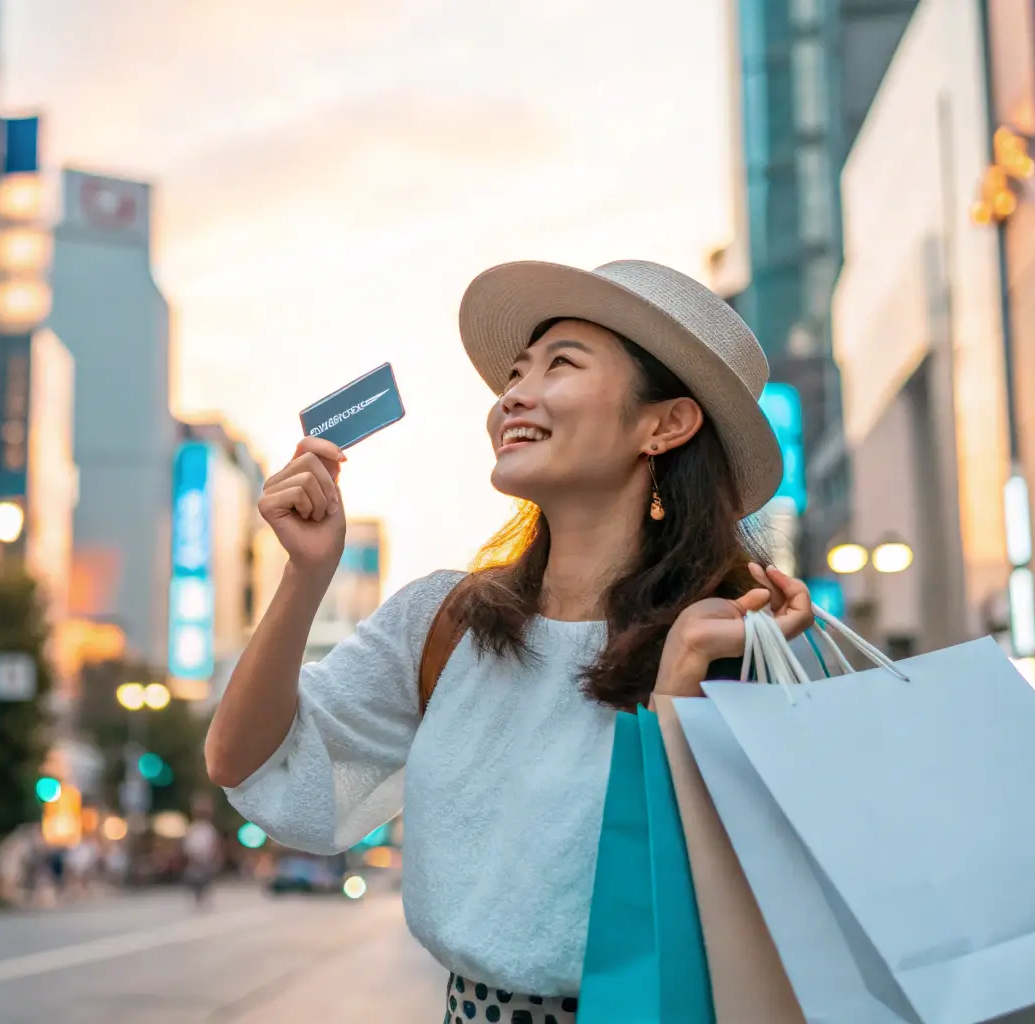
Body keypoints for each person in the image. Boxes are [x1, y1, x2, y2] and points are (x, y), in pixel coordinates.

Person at [206, 260, 814, 1015]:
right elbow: (247, 761)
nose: (513, 396)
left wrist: (680, 682)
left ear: (666, 423)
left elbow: (728, 898)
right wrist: (305, 574)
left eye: (561, 366)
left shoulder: (745, 636)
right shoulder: (444, 621)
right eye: (516, 373)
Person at [183, 799, 223, 909]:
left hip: (206, 859)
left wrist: (215, 856)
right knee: (194, 879)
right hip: (195, 858)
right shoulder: (193, 828)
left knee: (205, 879)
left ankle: (203, 896)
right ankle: (197, 895)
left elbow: (214, 844)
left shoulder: (209, 828)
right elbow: (188, 844)